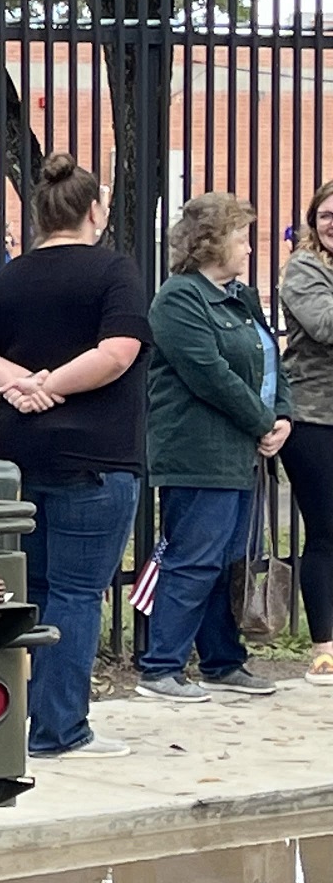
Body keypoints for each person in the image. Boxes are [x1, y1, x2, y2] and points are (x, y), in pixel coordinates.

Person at [0, 155, 151, 759]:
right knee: (75, 593)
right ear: (95, 211)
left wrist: (21, 384)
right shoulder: (115, 271)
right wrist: (55, 384)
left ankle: (16, 720)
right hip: (95, 455)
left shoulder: (7, 277)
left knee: (30, 588)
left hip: (20, 453)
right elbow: (118, 352)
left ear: (38, 212)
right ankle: (60, 729)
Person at [135, 193, 289, 701]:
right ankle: (161, 667)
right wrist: (263, 420)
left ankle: (223, 661)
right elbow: (209, 374)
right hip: (198, 452)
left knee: (230, 560)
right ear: (211, 242)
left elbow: (270, 359)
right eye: (241, 236)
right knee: (195, 558)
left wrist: (281, 416)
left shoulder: (240, 297)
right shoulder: (179, 298)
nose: (249, 247)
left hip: (243, 448)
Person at [279, 180, 333, 687]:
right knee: (326, 531)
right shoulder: (304, 269)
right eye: (325, 215)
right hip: (314, 418)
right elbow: (324, 325)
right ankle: (323, 647)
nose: (331, 222)